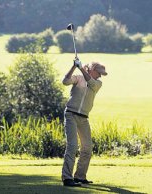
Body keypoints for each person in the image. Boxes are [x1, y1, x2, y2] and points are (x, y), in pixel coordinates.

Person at [61, 58, 107, 187]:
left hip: (84, 118)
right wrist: (73, 67)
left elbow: (91, 83)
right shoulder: (78, 78)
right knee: (72, 146)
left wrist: (80, 67)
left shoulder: (97, 83)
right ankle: (67, 178)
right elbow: (65, 81)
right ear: (92, 70)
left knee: (87, 147)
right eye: (99, 73)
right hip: (71, 115)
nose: (100, 76)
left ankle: (80, 176)